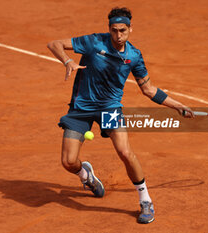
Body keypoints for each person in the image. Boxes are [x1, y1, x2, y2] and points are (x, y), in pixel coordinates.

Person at [47, 7, 193, 224]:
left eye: (122, 30)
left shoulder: (134, 56)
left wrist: (177, 105)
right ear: (109, 29)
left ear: (130, 29)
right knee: (69, 162)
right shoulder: (94, 42)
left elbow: (149, 89)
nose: (118, 35)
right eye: (114, 30)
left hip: (110, 109)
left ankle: (145, 200)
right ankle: (86, 175)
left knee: (125, 152)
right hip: (80, 109)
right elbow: (54, 44)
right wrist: (67, 61)